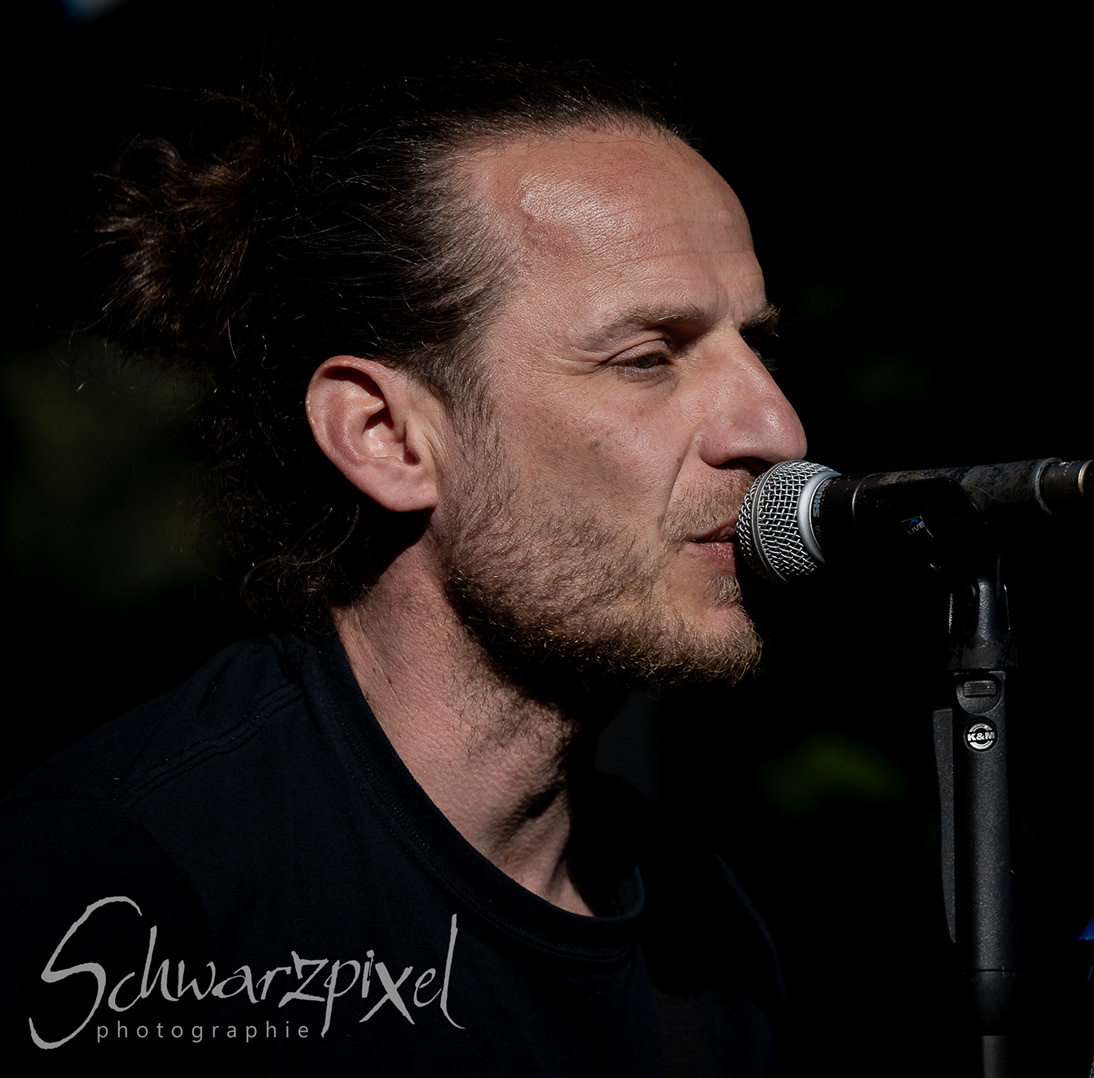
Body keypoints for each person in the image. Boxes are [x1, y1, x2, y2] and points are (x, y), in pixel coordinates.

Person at [1, 58, 802, 1073]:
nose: (777, 430)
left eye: (758, 348)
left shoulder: (703, 930)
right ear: (384, 436)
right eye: (647, 358)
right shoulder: (126, 883)